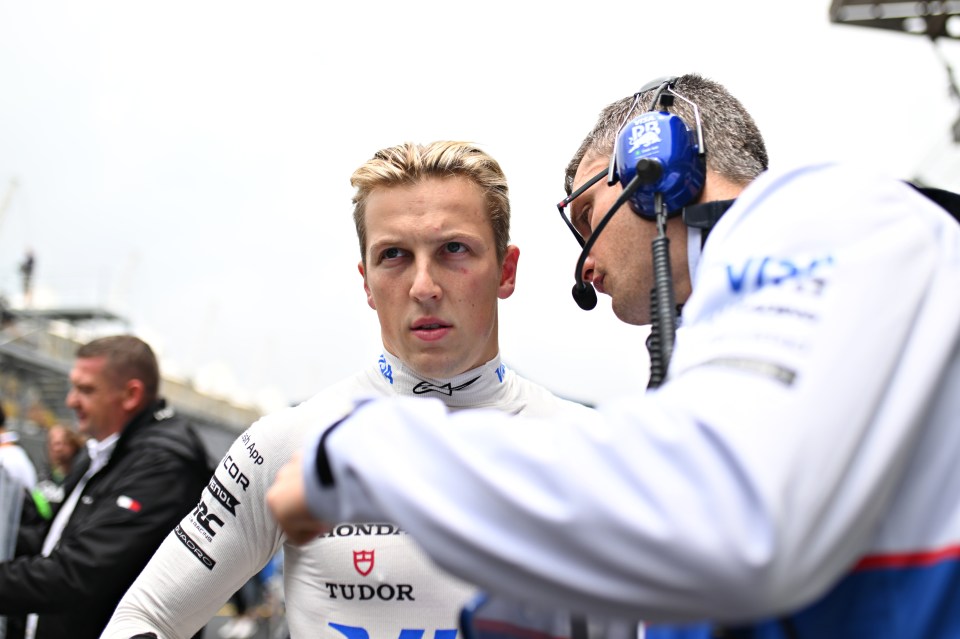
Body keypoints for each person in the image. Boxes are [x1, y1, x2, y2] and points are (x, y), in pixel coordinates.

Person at [265, 74, 960, 638]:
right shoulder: (742, 341)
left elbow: (731, 519)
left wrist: (358, 452)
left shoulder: (818, 213)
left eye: (586, 220)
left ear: (656, 161)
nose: (586, 269)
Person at [102, 140, 596, 639]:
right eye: (394, 256)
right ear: (366, 281)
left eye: (453, 249)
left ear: (505, 271)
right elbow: (143, 619)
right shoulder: (286, 442)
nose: (424, 286)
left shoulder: (590, 446)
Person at [0, 335, 211, 639]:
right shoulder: (101, 452)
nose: (70, 400)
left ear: (130, 395)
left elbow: (79, 574)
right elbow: (54, 539)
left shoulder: (163, 465)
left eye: (85, 389)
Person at [34, 424, 87, 508]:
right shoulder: (44, 475)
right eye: (52, 443)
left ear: (73, 445)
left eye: (61, 443)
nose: (56, 449)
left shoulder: (83, 475)